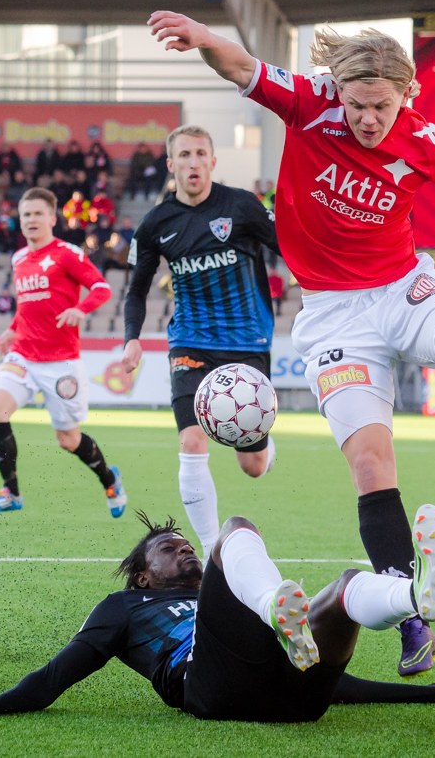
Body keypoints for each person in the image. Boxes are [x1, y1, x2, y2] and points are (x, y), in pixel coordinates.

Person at [148, 11, 435, 676]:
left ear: (406, 97)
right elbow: (239, 64)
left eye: (382, 107)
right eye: (358, 105)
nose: (368, 119)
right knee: (370, 464)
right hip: (335, 319)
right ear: (340, 93)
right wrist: (201, 35)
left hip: (402, 288)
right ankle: (411, 618)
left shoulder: (429, 142)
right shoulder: (310, 105)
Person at [0, 506, 435, 722]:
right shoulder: (125, 607)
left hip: (299, 699)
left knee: (350, 585)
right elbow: (54, 677)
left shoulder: (226, 591)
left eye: (185, 543)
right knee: (234, 529)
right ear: (143, 575)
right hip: (210, 687)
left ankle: (413, 600)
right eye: (168, 547)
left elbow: (341, 684)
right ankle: (279, 611)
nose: (183, 548)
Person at [120, 125, 283, 555]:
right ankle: (214, 554)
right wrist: (131, 339)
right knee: (192, 440)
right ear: (171, 166)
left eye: (200, 154)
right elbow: (137, 289)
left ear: (213, 161)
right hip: (190, 342)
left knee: (251, 466)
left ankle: (265, 447)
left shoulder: (243, 205)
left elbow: (289, 247)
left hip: (247, 341)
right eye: (184, 156)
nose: (193, 163)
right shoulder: (156, 223)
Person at [0, 187, 123, 516]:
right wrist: (13, 328)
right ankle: (11, 492)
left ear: (52, 218)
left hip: (61, 363)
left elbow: (101, 287)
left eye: (37, 214)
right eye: (26, 214)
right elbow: (26, 304)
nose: (31, 220)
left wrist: (81, 310)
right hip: (23, 356)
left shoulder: (67, 253)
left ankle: (109, 479)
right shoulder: (18, 259)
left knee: (68, 440)